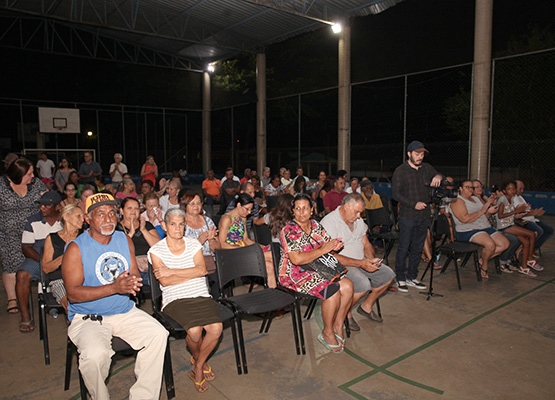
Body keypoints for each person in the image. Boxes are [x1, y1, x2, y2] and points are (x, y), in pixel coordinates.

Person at [62, 192, 168, 400]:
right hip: (88, 317)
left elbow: (134, 271)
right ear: (87, 219)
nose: (108, 219)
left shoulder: (123, 239)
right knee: (94, 357)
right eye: (100, 214)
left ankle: (142, 397)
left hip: (123, 310)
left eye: (112, 213)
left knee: (158, 334)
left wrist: (132, 281)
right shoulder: (75, 248)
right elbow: (73, 294)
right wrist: (114, 288)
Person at [148, 208, 222, 393]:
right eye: (173, 224)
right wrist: (189, 272)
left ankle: (198, 364)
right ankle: (199, 360)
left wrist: (172, 271)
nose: (178, 228)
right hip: (175, 298)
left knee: (216, 328)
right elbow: (165, 282)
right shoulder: (156, 251)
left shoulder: (193, 245)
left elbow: (201, 271)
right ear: (164, 226)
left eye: (181, 224)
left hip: (200, 293)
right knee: (195, 332)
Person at [279, 194, 353, 353]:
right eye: (297, 208)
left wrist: (334, 246)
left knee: (347, 286)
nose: (301, 212)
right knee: (332, 290)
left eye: (305, 208)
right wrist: (323, 250)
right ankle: (327, 332)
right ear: (293, 211)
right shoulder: (289, 230)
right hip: (295, 274)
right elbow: (297, 260)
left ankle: (337, 324)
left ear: (312, 210)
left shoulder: (316, 225)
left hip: (316, 267)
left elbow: (327, 247)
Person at [321, 193, 395, 331]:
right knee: (363, 284)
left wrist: (370, 259)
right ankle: (344, 314)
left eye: (360, 212)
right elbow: (329, 256)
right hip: (340, 265)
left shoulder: (358, 221)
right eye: (357, 212)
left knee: (388, 275)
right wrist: (361, 264)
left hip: (360, 262)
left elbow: (366, 244)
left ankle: (365, 306)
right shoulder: (329, 223)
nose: (359, 216)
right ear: (347, 206)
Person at [392, 141, 443, 292]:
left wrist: (438, 176)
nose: (420, 157)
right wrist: (413, 204)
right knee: (404, 247)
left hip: (424, 215)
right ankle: (400, 278)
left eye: (422, 154)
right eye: (417, 154)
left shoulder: (427, 168)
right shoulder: (401, 171)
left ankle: (412, 277)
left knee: (418, 247)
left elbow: (441, 176)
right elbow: (396, 194)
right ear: (409, 154)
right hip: (408, 215)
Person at [0, 158, 46, 314]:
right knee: (11, 265)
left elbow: (48, 199)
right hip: (9, 234)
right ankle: (12, 298)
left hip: (34, 233)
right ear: (18, 174)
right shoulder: (1, 186)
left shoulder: (36, 184)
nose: (32, 176)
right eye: (29, 174)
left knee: (33, 262)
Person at [16, 191, 62, 332]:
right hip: (38, 257)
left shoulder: (65, 220)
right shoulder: (32, 221)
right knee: (22, 275)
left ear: (57, 207)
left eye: (47, 205)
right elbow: (26, 247)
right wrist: (43, 261)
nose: (42, 208)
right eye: (41, 205)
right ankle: (25, 317)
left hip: (61, 258)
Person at [449, 180, 509, 279]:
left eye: (472, 187)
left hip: (484, 227)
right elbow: (465, 219)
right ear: (460, 188)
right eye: (467, 187)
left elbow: (484, 215)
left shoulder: (475, 199)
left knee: (504, 244)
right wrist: (483, 210)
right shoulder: (457, 201)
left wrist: (489, 209)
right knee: (490, 245)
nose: (470, 189)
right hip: (468, 230)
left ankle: (482, 260)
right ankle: (484, 266)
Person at [218, 193, 276, 288]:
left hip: (243, 250)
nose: (249, 212)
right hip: (231, 253)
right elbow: (222, 244)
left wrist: (258, 245)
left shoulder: (242, 218)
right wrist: (242, 250)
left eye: (250, 209)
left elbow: (245, 239)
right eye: (247, 209)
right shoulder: (227, 219)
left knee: (270, 264)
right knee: (271, 255)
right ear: (239, 205)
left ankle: (274, 293)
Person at [41, 204, 84, 314]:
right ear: (66, 217)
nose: (82, 219)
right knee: (70, 305)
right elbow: (46, 268)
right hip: (59, 280)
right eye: (78, 216)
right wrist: (65, 255)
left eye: (83, 216)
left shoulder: (84, 236)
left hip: (82, 278)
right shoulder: (52, 238)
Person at [180, 192, 221, 299]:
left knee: (220, 278)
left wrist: (211, 240)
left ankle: (217, 303)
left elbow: (218, 248)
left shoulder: (207, 221)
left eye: (198, 203)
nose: (196, 206)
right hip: (190, 264)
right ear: (185, 206)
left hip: (210, 263)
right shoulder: (180, 224)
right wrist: (199, 242)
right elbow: (179, 251)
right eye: (192, 203)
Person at [495, 181, 541, 276]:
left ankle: (524, 267)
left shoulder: (511, 199)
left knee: (526, 242)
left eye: (513, 189)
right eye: (509, 189)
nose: (512, 191)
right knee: (531, 234)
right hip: (503, 226)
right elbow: (500, 215)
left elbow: (512, 215)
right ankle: (530, 259)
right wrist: (516, 211)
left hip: (510, 224)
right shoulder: (502, 200)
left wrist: (520, 212)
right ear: (504, 191)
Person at [117, 197, 160, 284]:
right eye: (129, 208)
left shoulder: (146, 225)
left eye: (136, 208)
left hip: (151, 266)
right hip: (130, 269)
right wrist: (131, 234)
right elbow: (118, 250)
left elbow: (158, 246)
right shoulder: (117, 229)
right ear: (121, 211)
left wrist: (143, 230)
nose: (133, 211)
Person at [514, 180, 553, 255]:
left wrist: (535, 211)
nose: (522, 191)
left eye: (523, 189)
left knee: (549, 229)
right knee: (539, 231)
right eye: (520, 189)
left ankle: (533, 248)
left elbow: (528, 208)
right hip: (522, 221)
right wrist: (533, 213)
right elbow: (517, 214)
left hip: (532, 219)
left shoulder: (520, 197)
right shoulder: (513, 198)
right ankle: (527, 248)